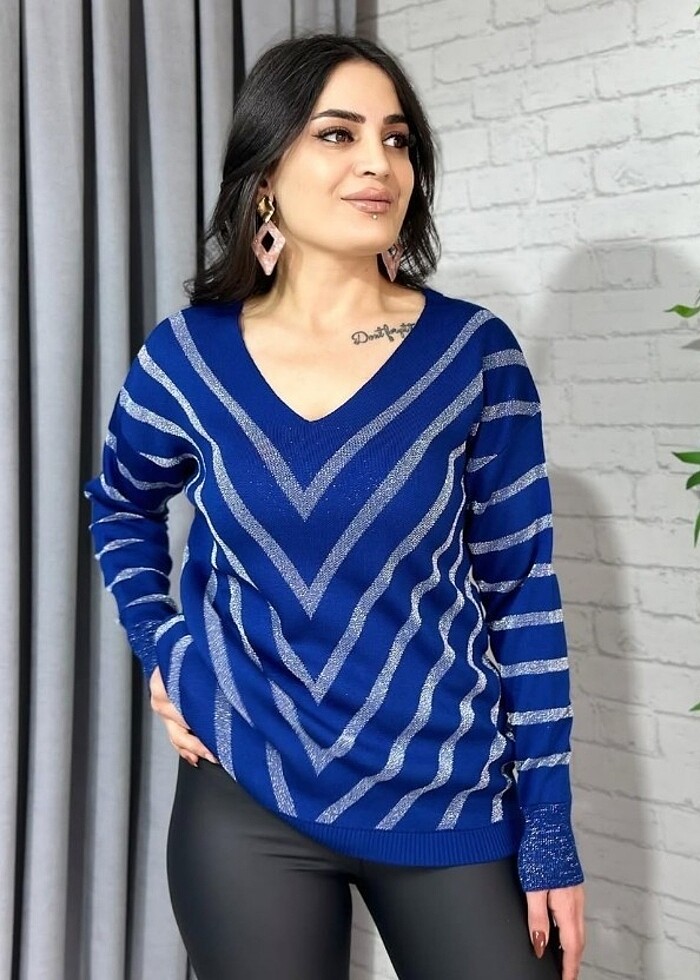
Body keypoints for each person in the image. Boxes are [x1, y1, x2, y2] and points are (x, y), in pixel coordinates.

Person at [83, 31, 585, 980]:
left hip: (448, 788)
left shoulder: (473, 356)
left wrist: (549, 826)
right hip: (246, 792)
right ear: (266, 172)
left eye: (397, 140)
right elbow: (120, 505)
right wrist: (167, 647)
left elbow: (522, 592)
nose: (377, 163)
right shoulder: (186, 358)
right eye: (338, 133)